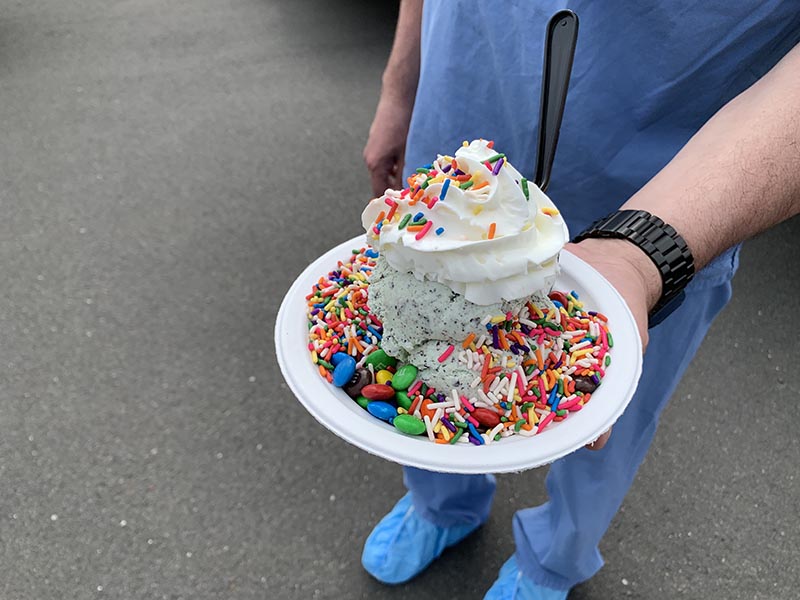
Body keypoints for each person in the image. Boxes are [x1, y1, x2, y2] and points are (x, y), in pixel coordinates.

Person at [360, 1, 800, 598]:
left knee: (603, 414)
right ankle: (443, 502)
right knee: (420, 363)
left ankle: (554, 557)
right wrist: (400, 87)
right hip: (460, 125)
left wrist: (645, 251)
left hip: (669, 173)